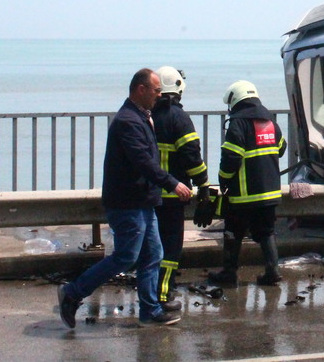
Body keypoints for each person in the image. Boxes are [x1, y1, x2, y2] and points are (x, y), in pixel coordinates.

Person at [57, 68, 192, 328]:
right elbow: (143, 161)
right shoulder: (127, 121)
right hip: (127, 203)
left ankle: (150, 311)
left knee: (153, 254)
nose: (160, 95)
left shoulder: (142, 117)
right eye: (156, 90)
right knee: (126, 257)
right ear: (141, 89)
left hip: (144, 201)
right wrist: (173, 183)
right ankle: (72, 293)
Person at [208, 80, 286, 286]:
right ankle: (273, 271)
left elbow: (231, 158)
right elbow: (282, 148)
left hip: (243, 195)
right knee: (267, 232)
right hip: (269, 193)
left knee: (233, 231)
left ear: (235, 100)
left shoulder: (238, 124)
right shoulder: (269, 122)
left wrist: (223, 179)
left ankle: (229, 273)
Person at [152, 66, 208, 311]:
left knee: (152, 246)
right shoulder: (179, 118)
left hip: (148, 195)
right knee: (170, 248)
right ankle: (164, 294)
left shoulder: (146, 115)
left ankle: (151, 290)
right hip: (173, 195)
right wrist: (203, 184)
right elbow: (191, 157)